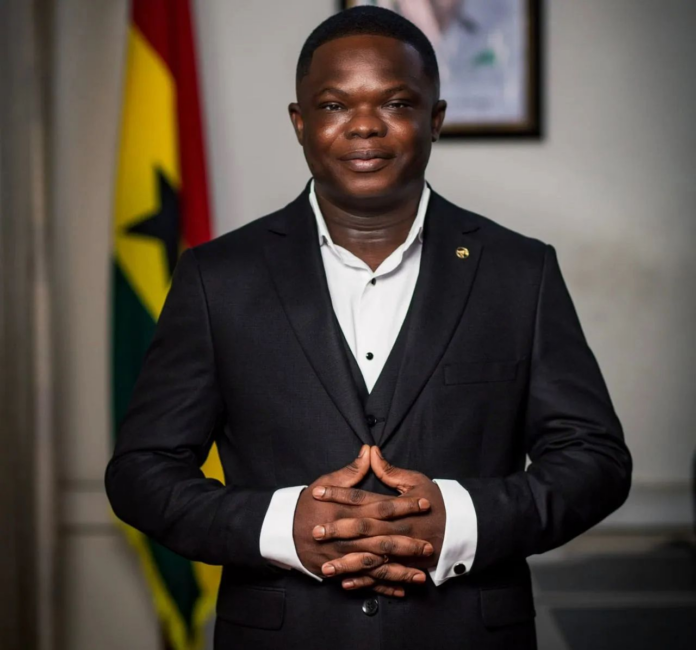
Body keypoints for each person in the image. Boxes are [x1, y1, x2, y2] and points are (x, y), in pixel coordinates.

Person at [104, 6, 632, 649]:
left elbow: (595, 461)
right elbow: (141, 471)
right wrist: (280, 525)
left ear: (435, 119)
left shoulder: (520, 272)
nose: (363, 125)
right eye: (333, 105)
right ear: (300, 123)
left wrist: (462, 521)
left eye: (396, 103)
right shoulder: (217, 278)